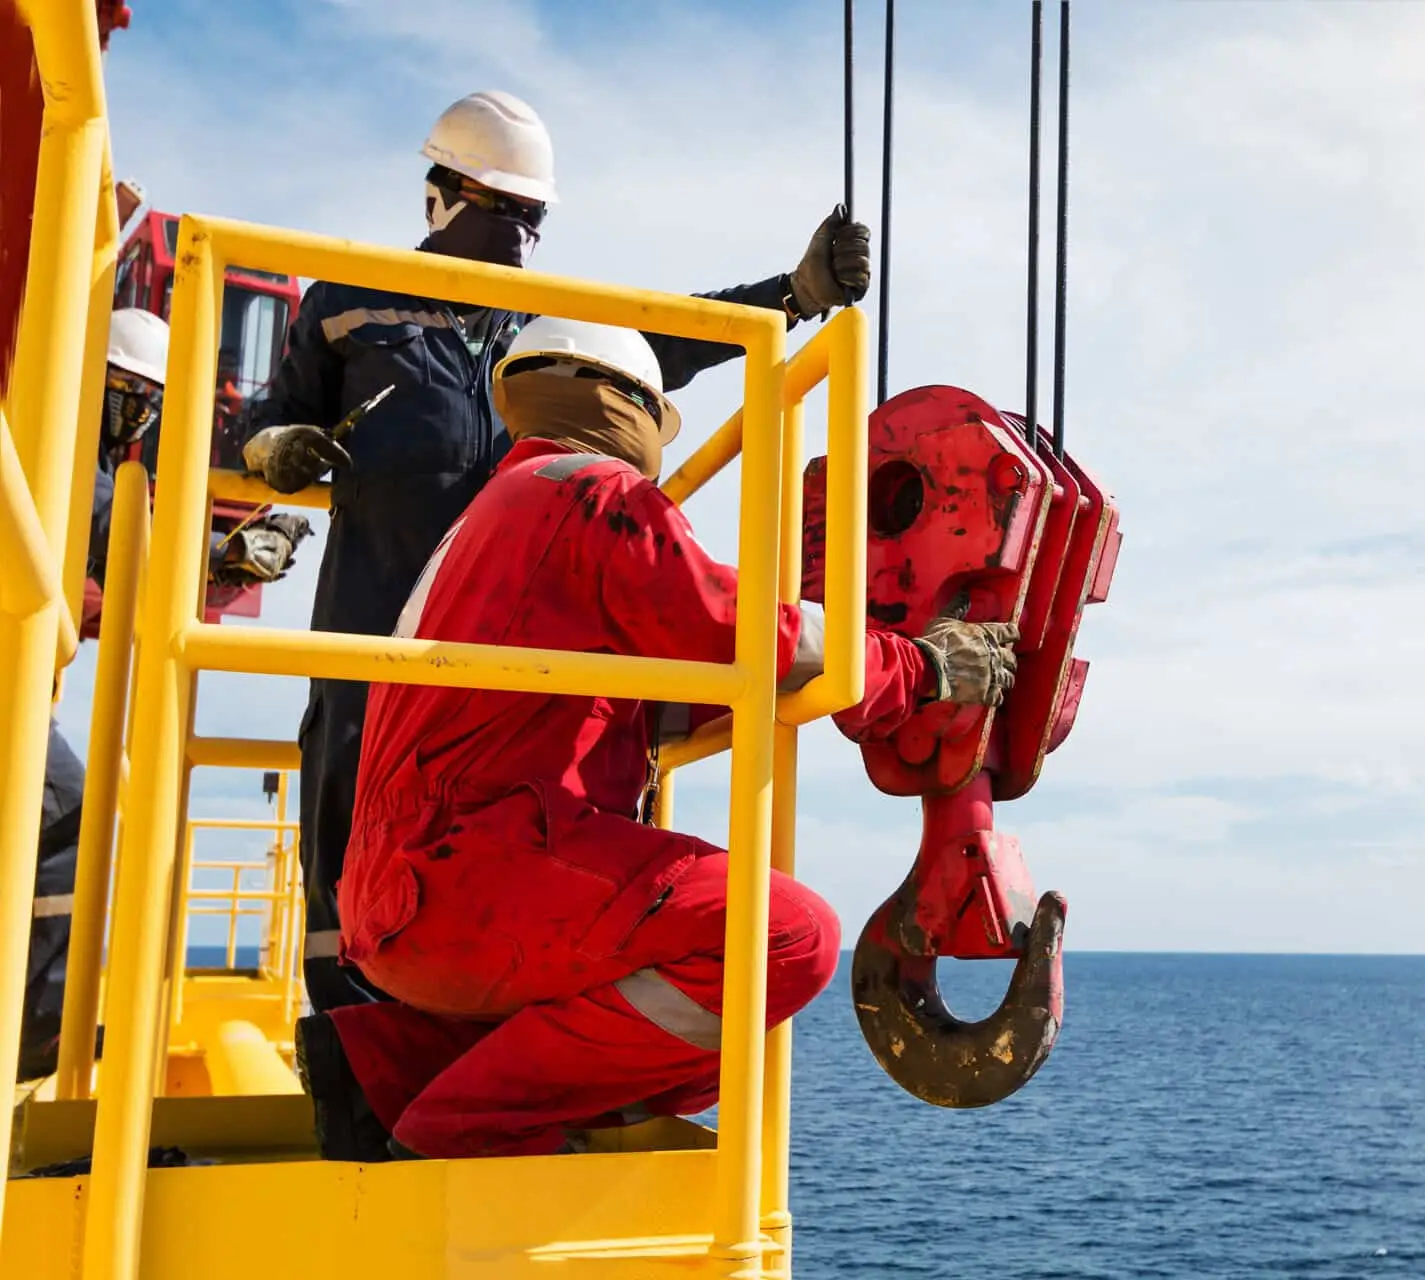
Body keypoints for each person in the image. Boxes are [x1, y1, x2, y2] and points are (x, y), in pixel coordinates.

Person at [292, 317, 1020, 1161]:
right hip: (477, 876)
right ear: (630, 408)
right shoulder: (588, 492)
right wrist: (918, 666)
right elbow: (725, 622)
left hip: (400, 904)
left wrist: (811, 685)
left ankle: (385, 1066)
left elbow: (661, 684)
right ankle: (460, 1123)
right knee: (782, 940)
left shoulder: (489, 522)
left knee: (701, 1026)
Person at [240, 89, 874, 1016]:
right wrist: (274, 452)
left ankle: (506, 1034)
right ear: (441, 195)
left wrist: (793, 295)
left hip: (520, 649)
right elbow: (264, 419)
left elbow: (668, 334)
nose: (521, 236)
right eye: (505, 209)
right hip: (374, 632)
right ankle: (349, 1046)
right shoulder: (347, 302)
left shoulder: (541, 317)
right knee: (348, 831)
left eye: (532, 217)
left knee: (548, 823)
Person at [18, 307, 310, 1082]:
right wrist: (230, 553)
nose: (137, 409)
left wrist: (224, 557)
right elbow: (124, 544)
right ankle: (38, 1031)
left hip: (24, 683)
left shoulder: (75, 447)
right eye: (126, 389)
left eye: (149, 397)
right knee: (68, 819)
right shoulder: (63, 444)